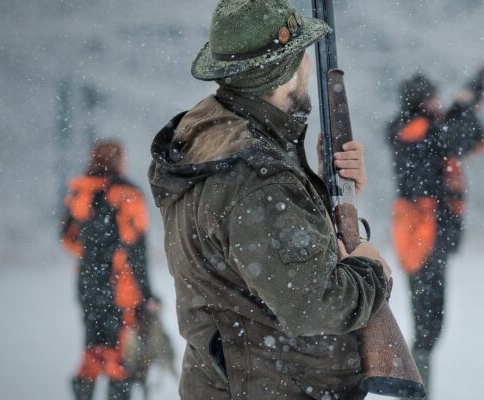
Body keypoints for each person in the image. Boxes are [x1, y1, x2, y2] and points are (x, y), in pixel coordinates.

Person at [147, 1, 393, 399]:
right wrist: (372, 269)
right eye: (302, 56)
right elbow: (320, 303)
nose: (309, 68)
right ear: (285, 74)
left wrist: (320, 188)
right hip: (274, 387)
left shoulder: (216, 137)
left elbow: (256, 257)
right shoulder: (258, 181)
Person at [387, 61, 484, 396]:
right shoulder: (413, 130)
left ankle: (418, 390)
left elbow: (467, 136)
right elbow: (460, 133)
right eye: (433, 99)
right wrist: (466, 103)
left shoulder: (424, 129)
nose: (439, 104)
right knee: (427, 327)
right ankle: (416, 392)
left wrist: (472, 95)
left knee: (431, 326)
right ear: (420, 103)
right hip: (420, 238)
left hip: (428, 238)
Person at [61, 139, 156, 400]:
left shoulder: (80, 191)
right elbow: (137, 247)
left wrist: (93, 256)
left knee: (93, 348)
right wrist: (147, 294)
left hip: (88, 284)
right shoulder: (128, 194)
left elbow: (67, 237)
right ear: (119, 160)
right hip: (121, 288)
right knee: (120, 354)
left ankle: (83, 392)